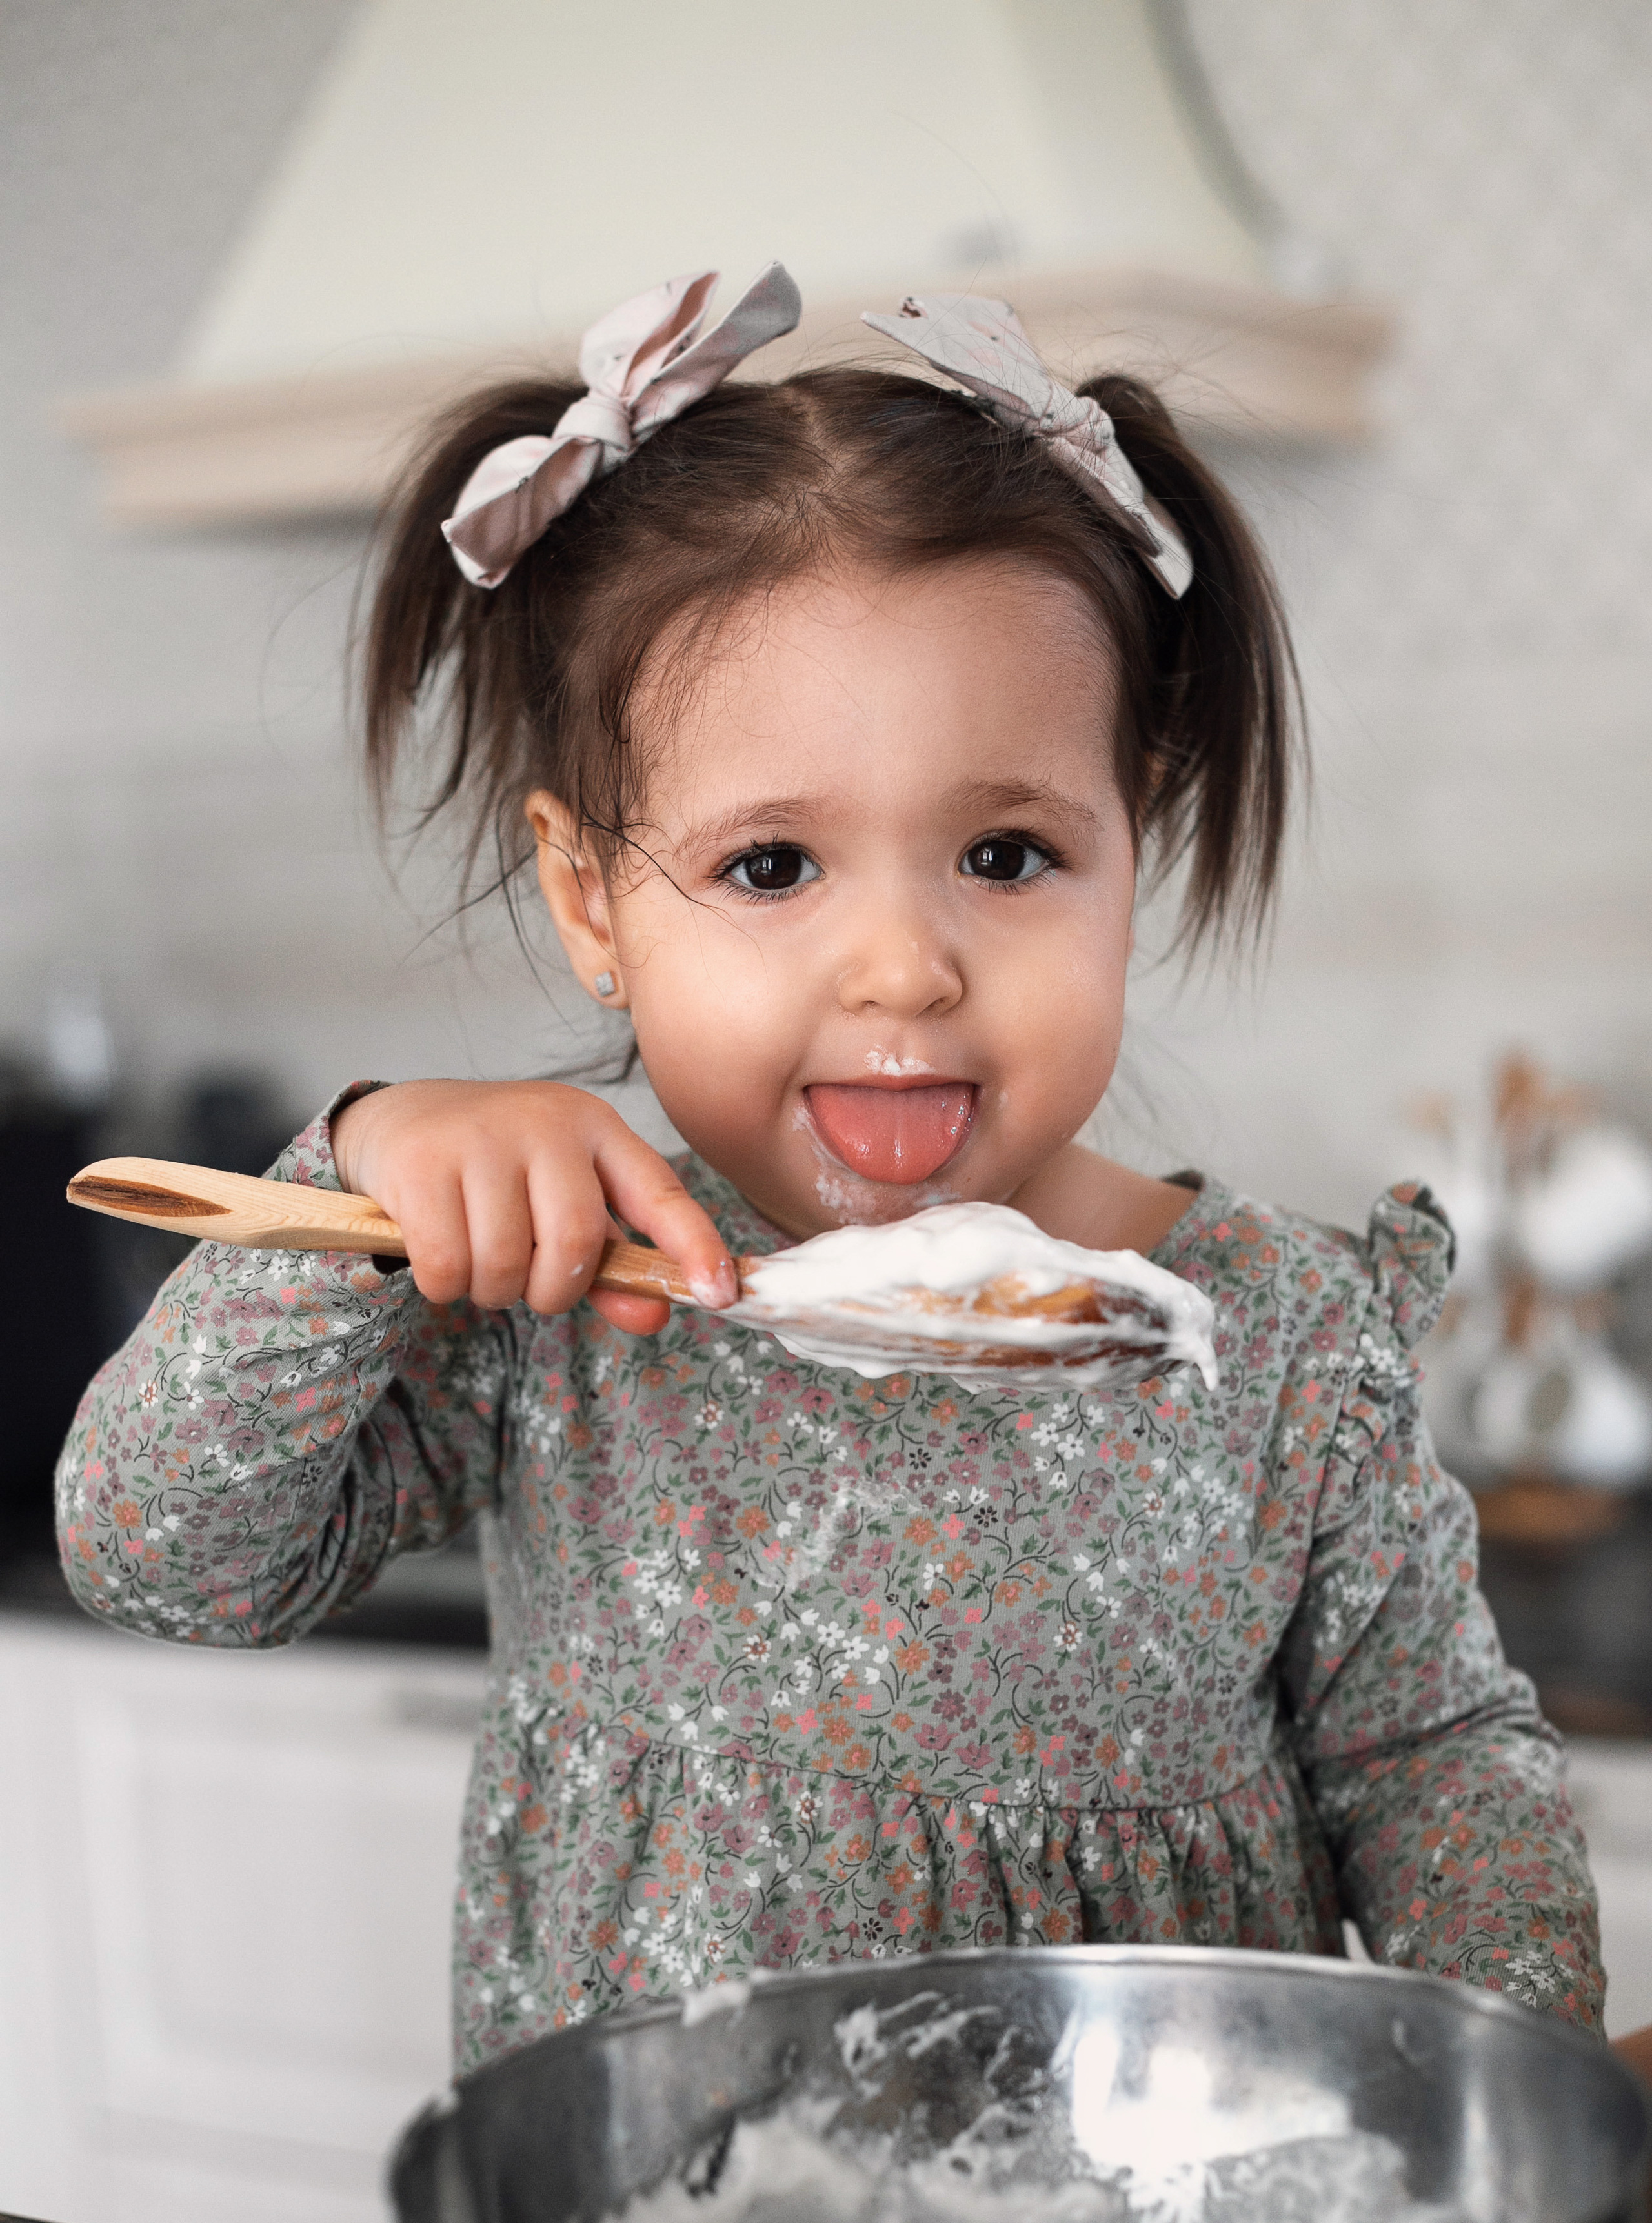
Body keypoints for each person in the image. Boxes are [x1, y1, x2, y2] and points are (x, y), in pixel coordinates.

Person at [55, 265, 1606, 2080]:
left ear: (1138, 844)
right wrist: (361, 1176)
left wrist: (1515, 2097)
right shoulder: (561, 1294)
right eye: (775, 867)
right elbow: (165, 1561)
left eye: (1009, 856)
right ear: (589, 902)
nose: (902, 971)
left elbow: (1430, 1763)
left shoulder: (1279, 1340)